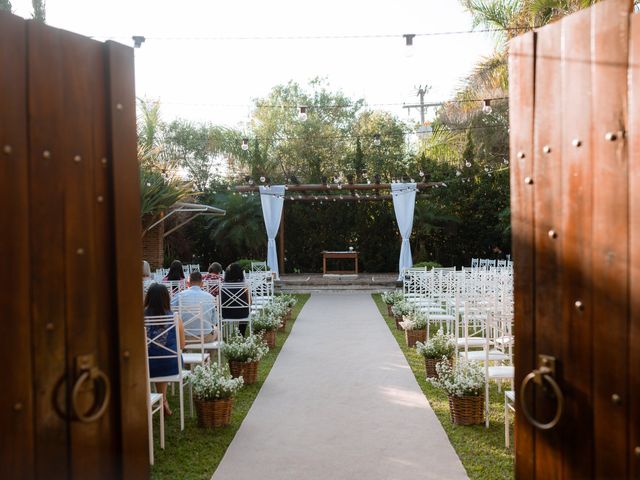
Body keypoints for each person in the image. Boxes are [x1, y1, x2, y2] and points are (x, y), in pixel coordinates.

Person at [144, 283, 185, 416]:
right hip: (171, 364)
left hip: (146, 365)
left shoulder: (139, 318)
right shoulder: (174, 317)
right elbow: (182, 345)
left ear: (148, 298)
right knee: (163, 356)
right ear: (166, 298)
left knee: (154, 357)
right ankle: (163, 400)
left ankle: (159, 400)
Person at [171, 271, 218, 343]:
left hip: (184, 337)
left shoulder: (179, 296)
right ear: (202, 284)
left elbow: (171, 313)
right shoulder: (210, 297)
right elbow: (214, 321)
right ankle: (211, 354)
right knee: (217, 330)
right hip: (205, 337)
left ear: (187, 284)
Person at [221, 262, 251, 336]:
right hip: (242, 314)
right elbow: (250, 302)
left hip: (226, 313)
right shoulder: (244, 286)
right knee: (246, 309)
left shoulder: (222, 286)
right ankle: (241, 333)